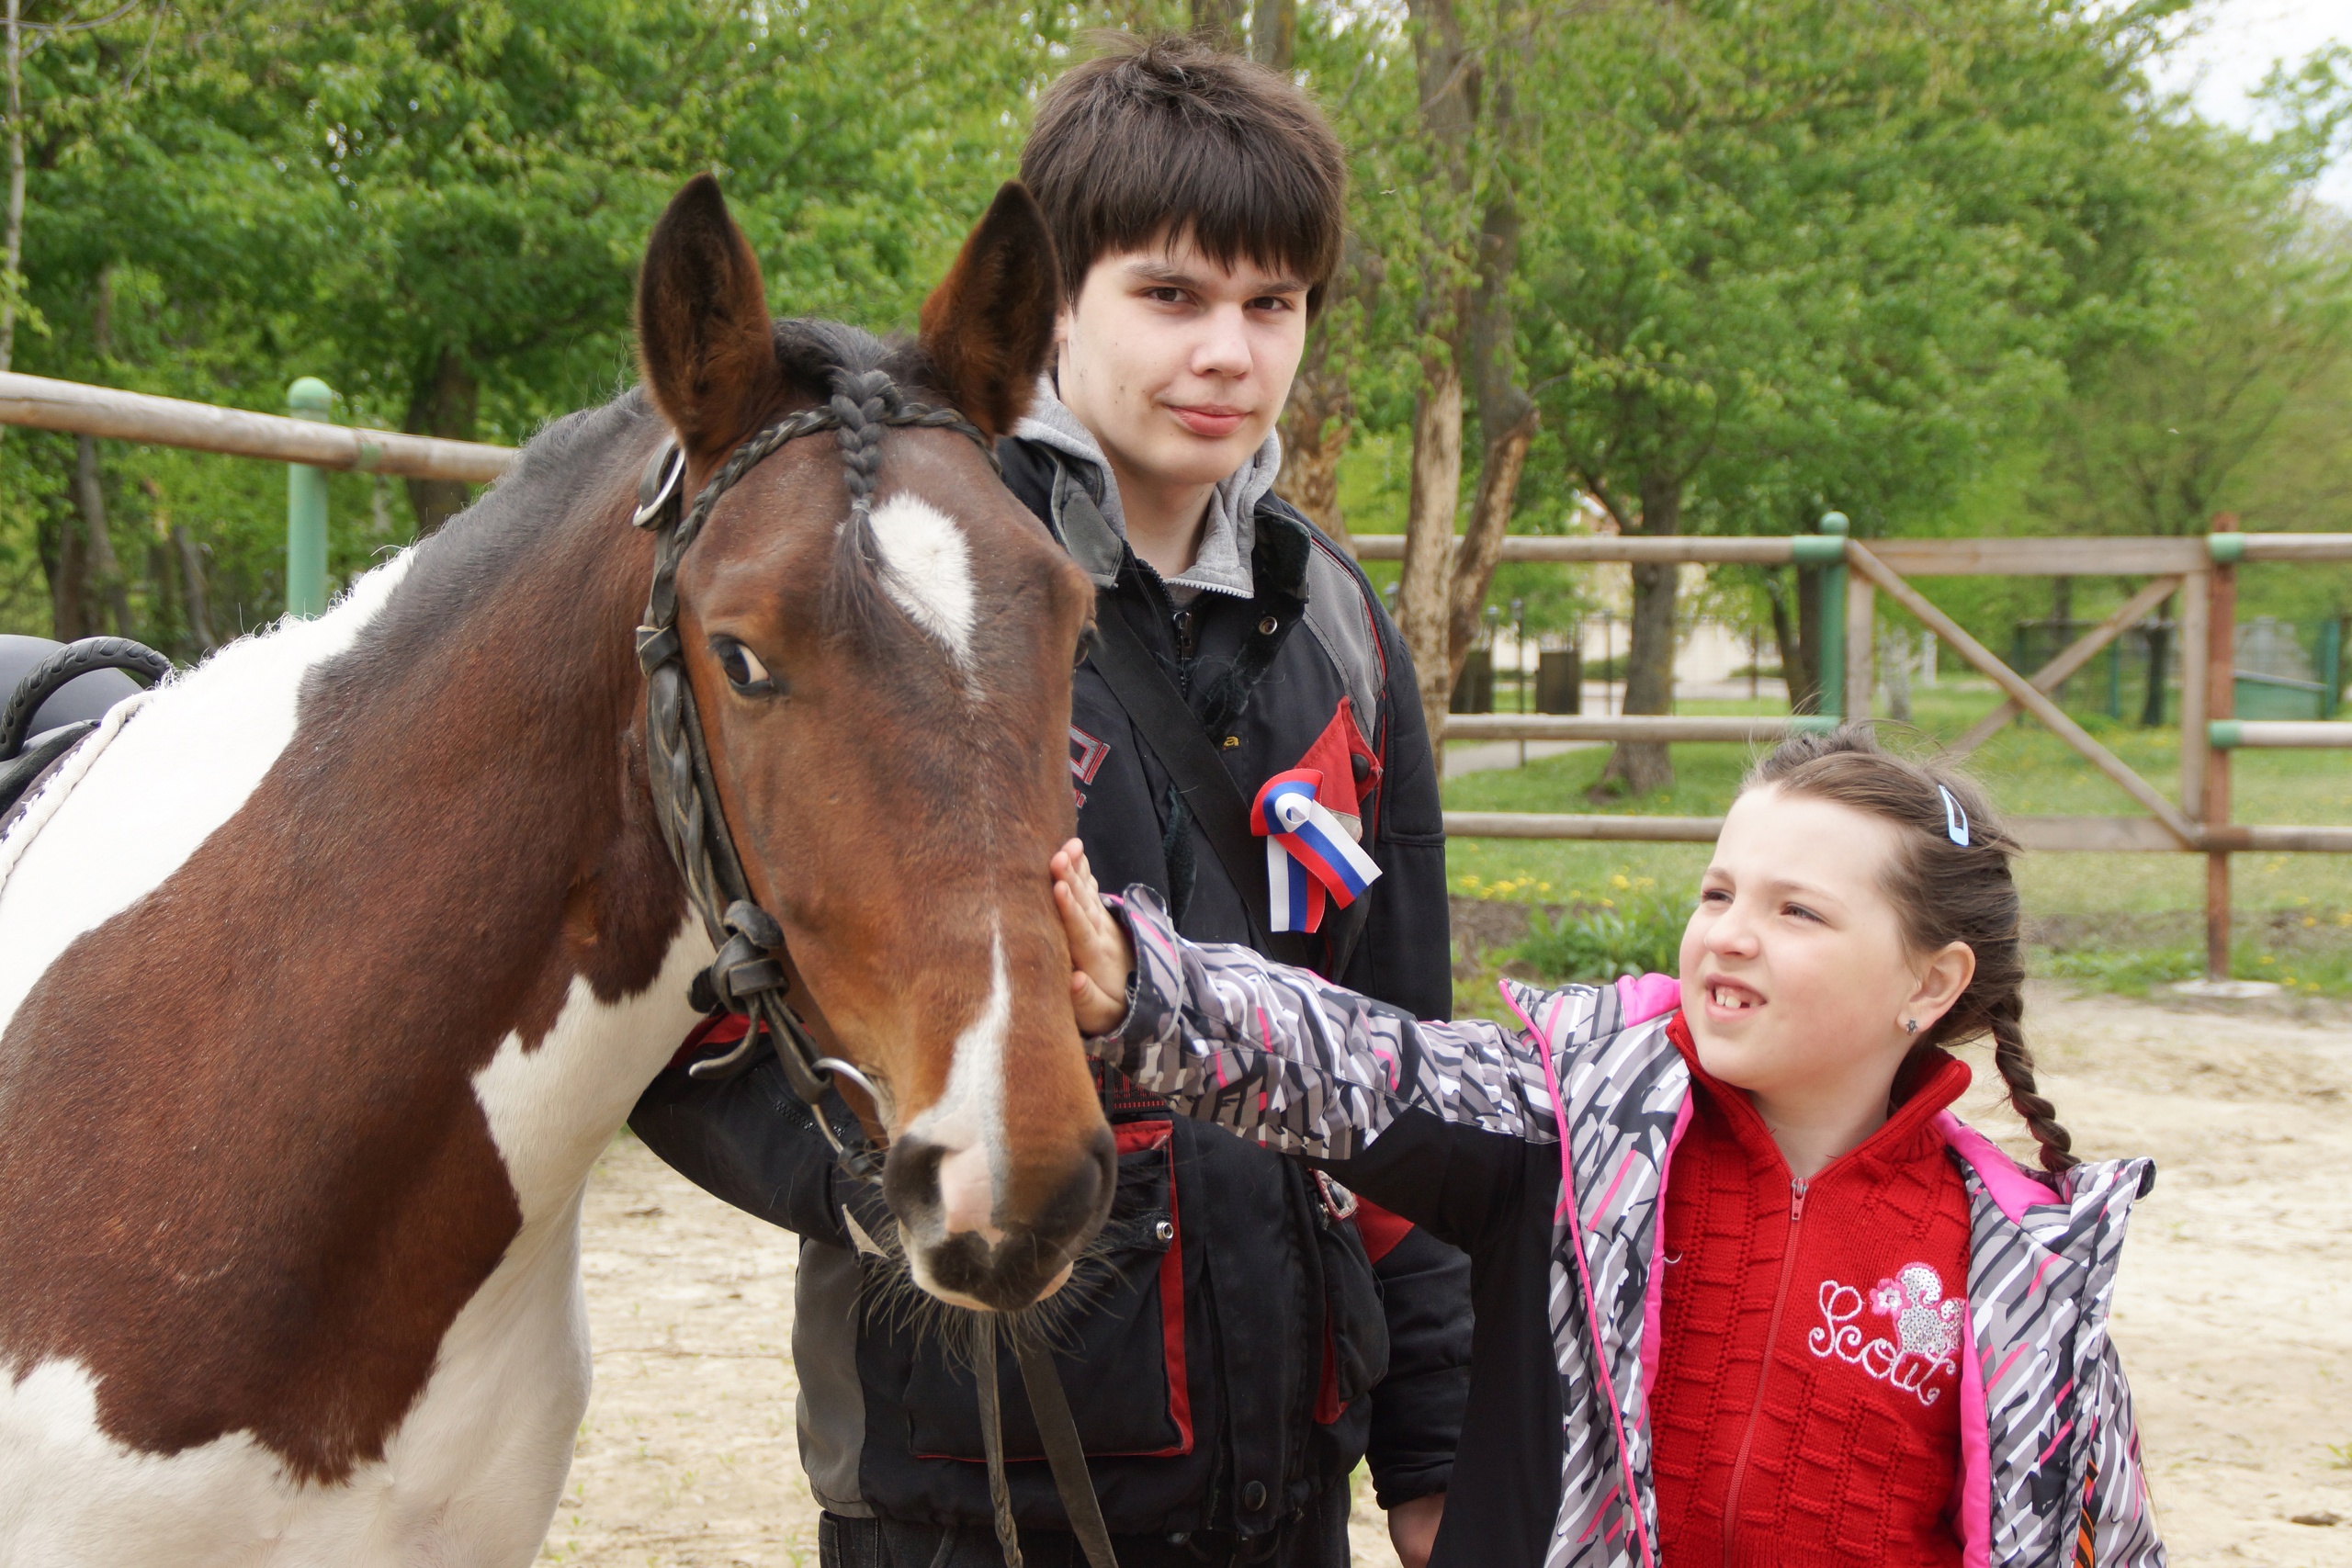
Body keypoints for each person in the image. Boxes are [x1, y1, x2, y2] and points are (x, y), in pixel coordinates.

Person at [630, 34, 1468, 1568]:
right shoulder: (883, 590)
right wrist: (920, 1164)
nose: (1230, 350)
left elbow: (1412, 1056)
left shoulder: (1338, 624)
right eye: (1172, 294)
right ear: (1051, 303)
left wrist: (1435, 1448)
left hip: (1289, 1468)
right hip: (977, 1473)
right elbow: (669, 1013)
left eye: (1271, 303)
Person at [1053, 728, 2166, 1568]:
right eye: (1718, 890)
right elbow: (1358, 1061)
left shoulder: (2020, 1266)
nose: (1728, 931)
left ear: (1930, 982)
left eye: (1798, 913)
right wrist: (1148, 990)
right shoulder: (1572, 1127)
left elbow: (2097, 1533)